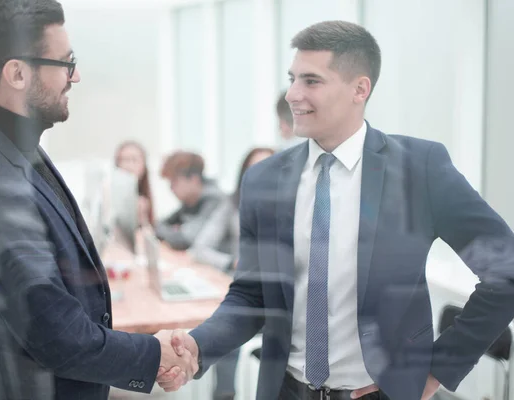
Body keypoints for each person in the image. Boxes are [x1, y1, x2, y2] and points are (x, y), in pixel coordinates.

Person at [156, 20, 514, 400]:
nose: (293, 94)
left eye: (311, 81)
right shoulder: (263, 180)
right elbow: (252, 295)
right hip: (285, 391)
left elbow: (505, 271)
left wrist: (437, 370)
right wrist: (197, 346)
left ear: (360, 89)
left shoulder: (418, 169)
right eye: (292, 78)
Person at [0, 1, 195, 399]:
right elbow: (56, 336)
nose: (75, 76)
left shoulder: (11, 146)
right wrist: (153, 353)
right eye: (65, 62)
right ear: (18, 73)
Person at [188, 147, 274, 400]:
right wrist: (231, 262)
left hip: (277, 302)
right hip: (242, 292)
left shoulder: (295, 206)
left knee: (230, 329)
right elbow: (200, 247)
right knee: (227, 326)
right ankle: (224, 394)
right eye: (255, 168)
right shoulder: (233, 204)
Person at [156, 151, 225, 250]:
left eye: (174, 181)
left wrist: (176, 232)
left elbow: (185, 240)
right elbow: (159, 225)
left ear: (194, 179)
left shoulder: (214, 201)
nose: (171, 188)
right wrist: (173, 231)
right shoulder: (189, 202)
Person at [114, 141, 155, 227]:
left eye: (134, 160)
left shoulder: (144, 198)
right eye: (124, 160)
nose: (129, 165)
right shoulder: (108, 195)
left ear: (144, 165)